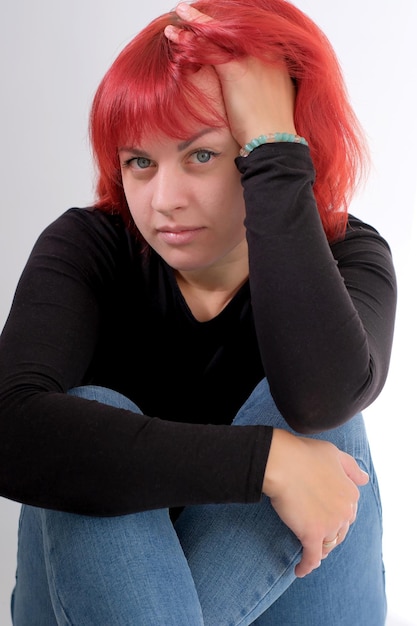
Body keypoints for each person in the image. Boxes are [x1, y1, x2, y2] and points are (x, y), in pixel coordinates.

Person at [0, 0, 396, 624]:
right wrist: (263, 463)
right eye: (140, 162)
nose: (164, 201)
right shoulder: (90, 247)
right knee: (87, 415)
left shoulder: (350, 255)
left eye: (202, 156)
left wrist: (272, 143)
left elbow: (321, 397)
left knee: (320, 420)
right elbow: (9, 431)